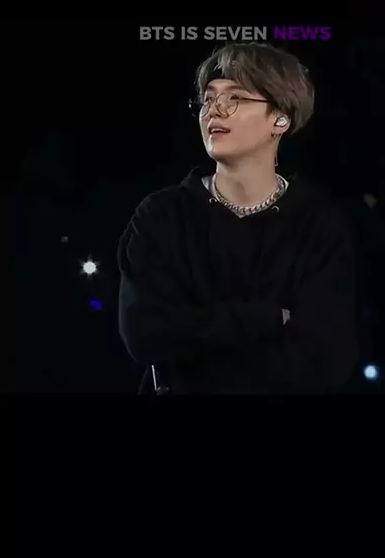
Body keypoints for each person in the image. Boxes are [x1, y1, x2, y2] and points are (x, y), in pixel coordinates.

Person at [117, 42, 360, 394]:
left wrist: (195, 350)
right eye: (208, 99)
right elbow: (145, 334)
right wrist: (267, 318)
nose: (215, 110)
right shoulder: (161, 215)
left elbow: (326, 359)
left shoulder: (318, 223)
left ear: (280, 119)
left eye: (235, 98)